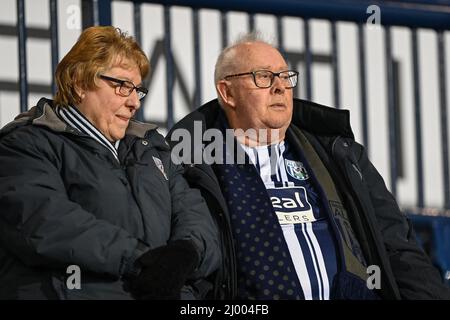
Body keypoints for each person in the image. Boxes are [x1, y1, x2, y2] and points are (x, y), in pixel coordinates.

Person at [167, 33, 450, 300]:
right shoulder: (193, 164)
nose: (280, 86)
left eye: (285, 76)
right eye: (263, 77)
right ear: (227, 93)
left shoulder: (337, 154)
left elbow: (396, 246)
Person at [0, 26, 220, 300]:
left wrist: (186, 253)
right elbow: (44, 223)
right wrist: (142, 263)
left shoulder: (153, 149)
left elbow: (196, 217)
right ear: (80, 83)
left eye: (137, 90)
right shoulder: (24, 145)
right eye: (122, 86)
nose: (133, 102)